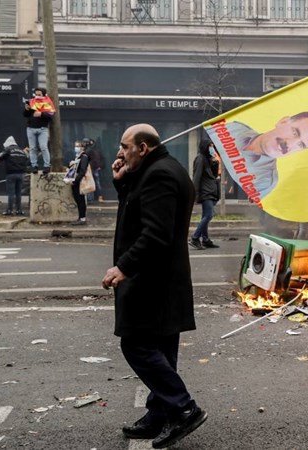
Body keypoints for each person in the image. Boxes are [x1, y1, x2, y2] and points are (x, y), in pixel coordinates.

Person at [102, 124, 205, 449]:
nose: (120, 153)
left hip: (152, 282)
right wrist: (122, 183)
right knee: (161, 349)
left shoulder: (159, 175)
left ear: (143, 148)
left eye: (125, 146)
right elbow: (138, 210)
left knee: (136, 345)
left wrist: (123, 267)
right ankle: (159, 414)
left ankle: (184, 408)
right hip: (165, 280)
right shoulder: (161, 170)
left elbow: (156, 233)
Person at [211, 111, 308, 198]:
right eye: (295, 132)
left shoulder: (265, 182)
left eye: (301, 145)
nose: (289, 144)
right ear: (283, 122)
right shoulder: (235, 128)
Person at [189, 140, 221, 250]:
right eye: (210, 146)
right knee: (209, 215)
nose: (212, 148)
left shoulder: (208, 159)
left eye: (212, 146)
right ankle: (195, 238)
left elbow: (214, 175)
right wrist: (195, 193)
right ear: (205, 147)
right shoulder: (200, 159)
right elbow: (196, 177)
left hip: (210, 191)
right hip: (205, 192)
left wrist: (215, 163)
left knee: (205, 215)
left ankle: (206, 240)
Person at [23, 88, 56, 175]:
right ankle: (34, 165)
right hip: (31, 128)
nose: (37, 96)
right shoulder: (31, 102)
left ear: (44, 95)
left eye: (39, 94)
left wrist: (41, 114)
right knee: (32, 148)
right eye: (36, 94)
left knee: (43, 147)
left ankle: (46, 166)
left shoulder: (48, 103)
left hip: (42, 129)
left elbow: (50, 116)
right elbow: (25, 115)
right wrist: (27, 109)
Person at [0, 136, 29, 216]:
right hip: (21, 174)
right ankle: (19, 210)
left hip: (11, 174)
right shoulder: (21, 151)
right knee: (18, 193)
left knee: (11, 193)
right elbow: (26, 160)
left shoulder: (8, 150)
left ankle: (9, 210)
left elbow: (0, 157)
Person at [66, 140, 90, 225]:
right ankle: (80, 217)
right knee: (78, 200)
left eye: (78, 146)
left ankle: (82, 218)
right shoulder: (78, 157)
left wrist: (76, 181)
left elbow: (82, 171)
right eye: (75, 146)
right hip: (76, 181)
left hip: (79, 182)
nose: (76, 148)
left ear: (82, 147)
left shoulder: (84, 157)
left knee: (81, 200)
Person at [84, 138, 105, 203]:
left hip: (91, 169)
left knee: (90, 183)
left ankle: (91, 199)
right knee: (96, 183)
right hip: (94, 168)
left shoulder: (88, 151)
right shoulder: (96, 150)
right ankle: (98, 197)